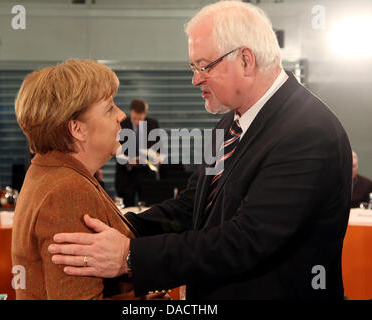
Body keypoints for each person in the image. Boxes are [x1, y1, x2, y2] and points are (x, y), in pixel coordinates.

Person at [48, 1, 352, 299]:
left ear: (246, 60)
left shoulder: (307, 131)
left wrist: (130, 256)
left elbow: (245, 241)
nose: (195, 79)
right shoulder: (227, 125)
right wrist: (124, 228)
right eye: (193, 67)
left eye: (204, 66)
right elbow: (192, 207)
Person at [12, 59, 148, 299]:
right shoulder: (66, 191)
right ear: (76, 128)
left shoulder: (50, 172)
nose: (121, 115)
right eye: (109, 108)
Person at [115, 99, 160, 207]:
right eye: (135, 118)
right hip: (126, 174)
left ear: (145, 113)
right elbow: (115, 149)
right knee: (126, 207)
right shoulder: (122, 125)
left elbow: (158, 149)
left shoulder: (153, 124)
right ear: (131, 112)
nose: (138, 122)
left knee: (148, 207)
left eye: (140, 119)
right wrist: (126, 160)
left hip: (147, 174)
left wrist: (155, 157)